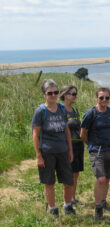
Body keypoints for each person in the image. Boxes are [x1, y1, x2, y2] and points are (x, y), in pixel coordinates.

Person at [32, 79, 75, 218]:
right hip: (47, 152)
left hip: (62, 150)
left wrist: (70, 150)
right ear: (44, 94)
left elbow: (66, 130)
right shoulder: (40, 111)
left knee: (68, 180)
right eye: (50, 93)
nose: (53, 95)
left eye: (56, 92)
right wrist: (38, 155)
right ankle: (52, 208)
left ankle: (68, 206)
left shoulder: (62, 109)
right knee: (49, 182)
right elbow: (36, 134)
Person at [81, 87, 110, 220]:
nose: (104, 100)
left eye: (107, 97)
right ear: (96, 98)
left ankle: (103, 201)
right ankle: (98, 208)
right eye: (101, 97)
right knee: (100, 179)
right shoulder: (91, 113)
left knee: (107, 178)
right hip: (97, 151)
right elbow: (83, 134)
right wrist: (91, 146)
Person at [60, 85, 84, 205]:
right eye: (73, 94)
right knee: (69, 173)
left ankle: (73, 197)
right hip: (68, 146)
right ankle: (67, 200)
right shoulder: (60, 110)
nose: (76, 96)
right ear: (65, 95)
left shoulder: (75, 110)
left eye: (76, 94)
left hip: (78, 146)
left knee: (76, 173)